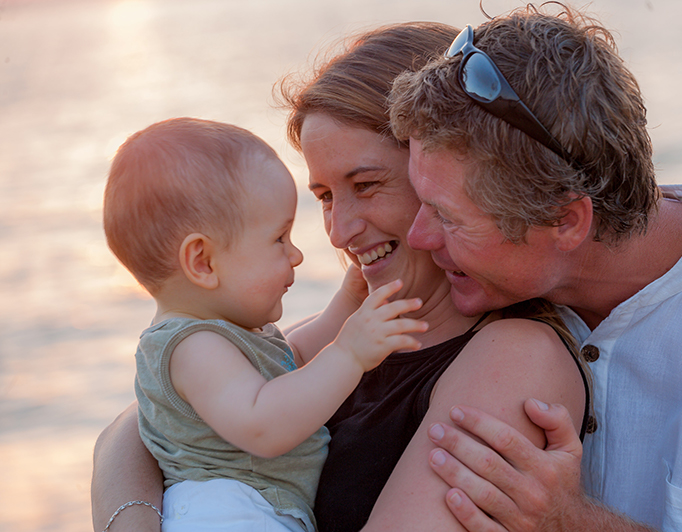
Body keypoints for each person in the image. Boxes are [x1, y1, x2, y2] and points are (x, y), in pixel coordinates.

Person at [91, 24, 592, 532]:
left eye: (367, 184)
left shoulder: (513, 355)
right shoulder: (349, 337)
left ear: (439, 172)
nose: (337, 233)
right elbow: (147, 417)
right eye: (326, 196)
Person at [389, 4, 682, 531]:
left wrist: (572, 521)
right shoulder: (474, 287)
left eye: (447, 217)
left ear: (565, 221)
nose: (419, 237)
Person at [101, 117, 429, 532]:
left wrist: (349, 302)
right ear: (202, 262)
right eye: (279, 239)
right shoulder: (193, 347)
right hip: (226, 514)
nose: (296, 255)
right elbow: (264, 426)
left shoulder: (225, 333)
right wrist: (349, 354)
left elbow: (293, 360)